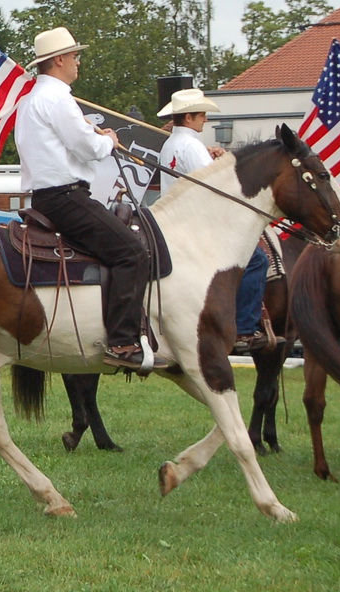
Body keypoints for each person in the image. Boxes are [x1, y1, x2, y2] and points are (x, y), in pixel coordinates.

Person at [15, 27, 158, 370]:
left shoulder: (32, 100)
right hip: (67, 198)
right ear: (60, 60)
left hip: (46, 198)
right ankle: (123, 342)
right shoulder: (58, 98)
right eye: (75, 56)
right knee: (132, 251)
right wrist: (107, 140)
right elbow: (88, 147)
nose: (78, 62)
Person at [157, 88, 267, 352]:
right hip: (199, 224)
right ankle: (243, 329)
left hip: (176, 222)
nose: (205, 119)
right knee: (257, 260)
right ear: (190, 117)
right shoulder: (192, 146)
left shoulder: (170, 144)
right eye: (202, 114)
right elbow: (215, 190)